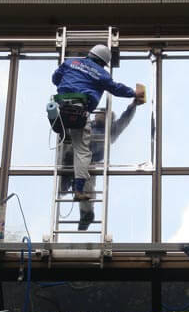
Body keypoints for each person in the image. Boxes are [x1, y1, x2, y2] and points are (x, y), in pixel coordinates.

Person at [51, 44, 141, 201]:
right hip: (79, 111)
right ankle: (78, 190)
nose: (100, 115)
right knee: (82, 152)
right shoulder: (101, 74)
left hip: (63, 106)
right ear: (103, 62)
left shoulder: (71, 62)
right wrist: (135, 93)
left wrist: (69, 84)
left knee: (70, 137)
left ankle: (56, 121)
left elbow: (55, 78)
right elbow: (116, 88)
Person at [60, 98, 144, 230]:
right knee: (67, 155)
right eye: (99, 114)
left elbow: (125, 119)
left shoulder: (111, 129)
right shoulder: (88, 124)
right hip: (73, 156)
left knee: (86, 183)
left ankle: (86, 213)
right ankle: (64, 184)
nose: (99, 116)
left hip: (90, 160)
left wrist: (133, 105)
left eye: (104, 115)